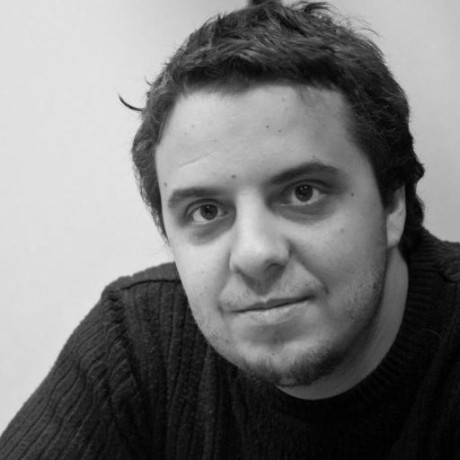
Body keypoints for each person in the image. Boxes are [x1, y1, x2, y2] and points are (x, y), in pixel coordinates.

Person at [1, 1, 459, 458]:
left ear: (392, 202)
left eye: (303, 193)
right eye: (206, 211)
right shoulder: (140, 343)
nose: (255, 254)